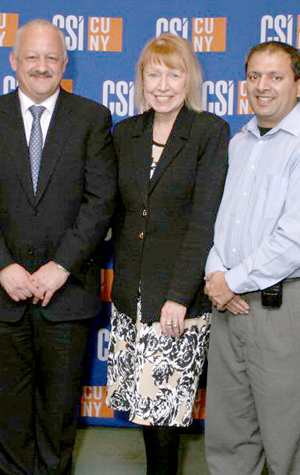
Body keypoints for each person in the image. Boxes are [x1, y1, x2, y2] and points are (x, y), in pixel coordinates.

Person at [0, 19, 117, 474]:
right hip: (1, 295)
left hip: (66, 296)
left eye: (52, 58)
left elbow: (100, 200)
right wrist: (2, 266)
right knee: (6, 415)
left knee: (57, 415)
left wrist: (61, 266)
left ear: (65, 63)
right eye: (32, 57)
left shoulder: (92, 118)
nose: (42, 67)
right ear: (14, 62)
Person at [203, 41, 300, 475]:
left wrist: (233, 280)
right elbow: (221, 224)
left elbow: (298, 241)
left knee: (285, 442)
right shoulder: (239, 142)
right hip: (229, 307)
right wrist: (215, 275)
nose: (262, 87)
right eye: (254, 76)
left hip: (283, 309)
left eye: (276, 77)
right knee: (229, 437)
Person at [106, 33, 229, 474]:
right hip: (130, 297)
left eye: (173, 74)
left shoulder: (209, 132)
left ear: (189, 79)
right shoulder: (124, 133)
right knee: (144, 409)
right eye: (153, 74)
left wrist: (178, 295)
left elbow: (204, 222)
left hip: (175, 300)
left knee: (165, 416)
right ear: (140, 79)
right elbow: (116, 212)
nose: (162, 84)